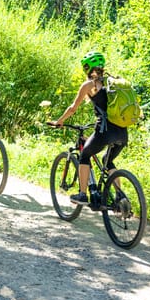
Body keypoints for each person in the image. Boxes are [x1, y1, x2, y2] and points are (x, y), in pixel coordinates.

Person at [50, 51, 128, 207]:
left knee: (84, 155)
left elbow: (73, 108)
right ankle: (120, 198)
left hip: (105, 131)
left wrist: (59, 121)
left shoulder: (89, 85)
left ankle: (82, 194)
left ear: (87, 68)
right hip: (122, 131)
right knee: (108, 160)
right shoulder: (113, 82)